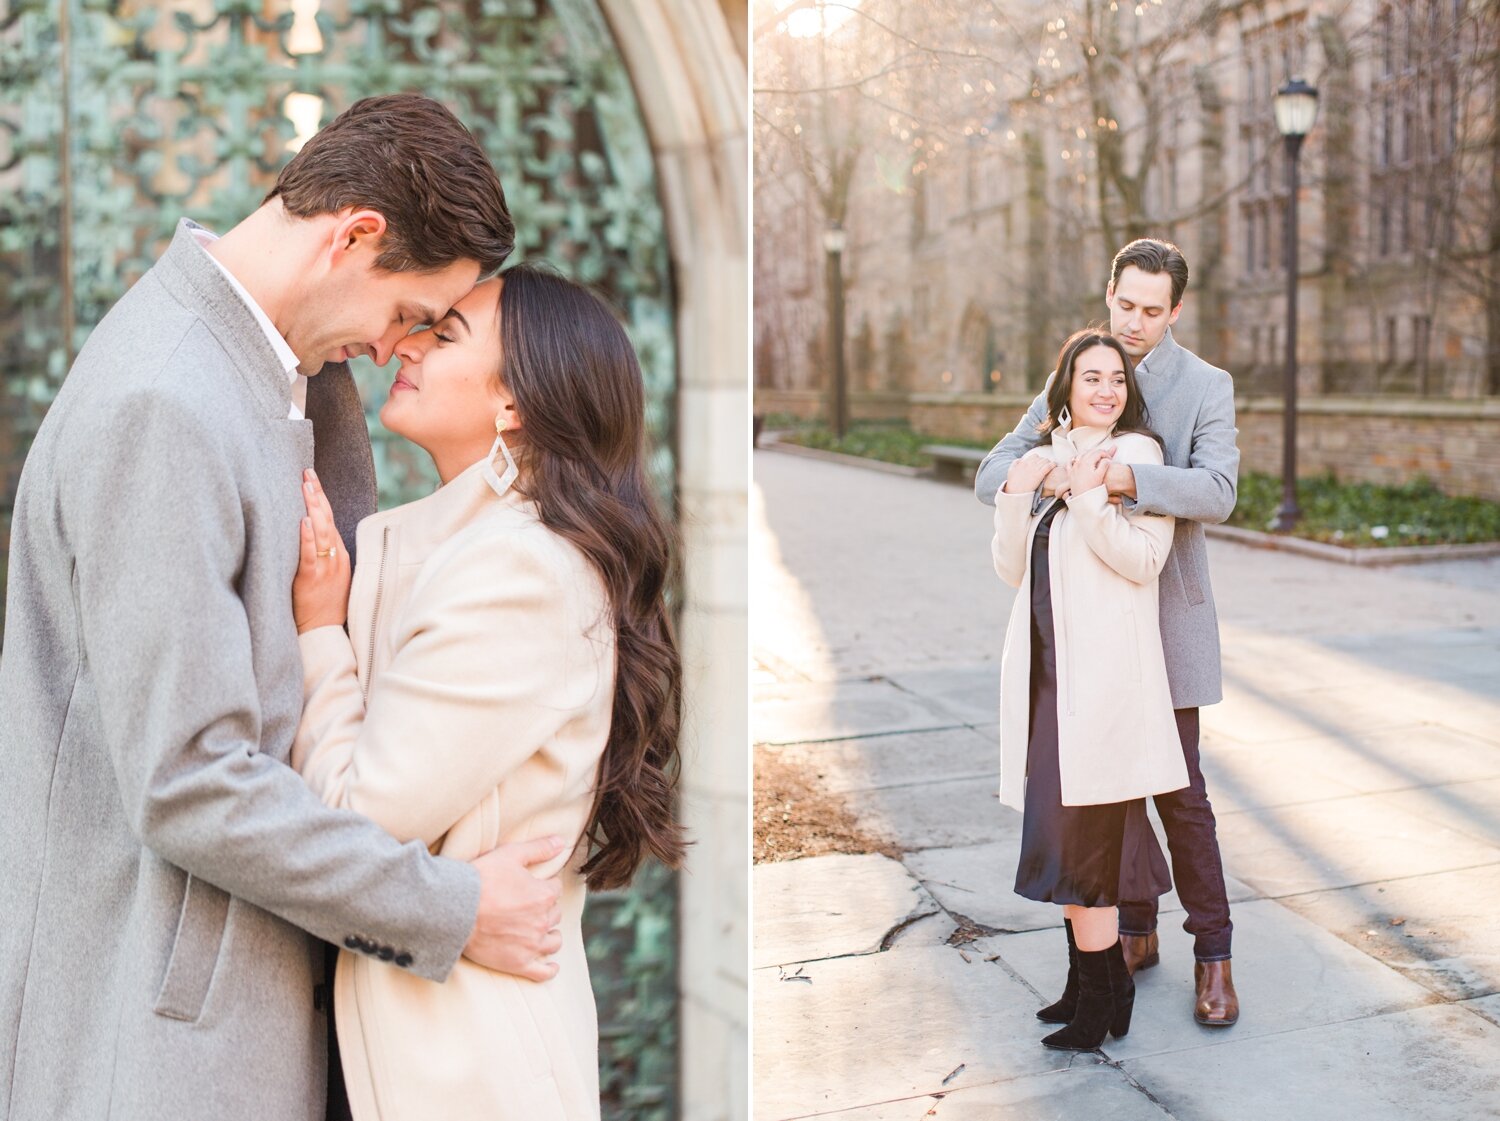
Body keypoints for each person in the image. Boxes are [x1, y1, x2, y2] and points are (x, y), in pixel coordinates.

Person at [0, 95, 569, 1121]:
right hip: (169, 1045)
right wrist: (454, 907)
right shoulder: (163, 404)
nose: (396, 344)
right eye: (407, 313)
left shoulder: (293, 375)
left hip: (278, 1015)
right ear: (355, 235)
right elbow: (189, 780)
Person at [289, 264, 686, 1120]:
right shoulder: (464, 549)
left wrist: (318, 628)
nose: (408, 345)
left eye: (446, 333)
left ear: (515, 405)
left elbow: (353, 818)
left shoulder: (521, 571)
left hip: (465, 1070)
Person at [976, 238, 1241, 1027]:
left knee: (1179, 793)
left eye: (1151, 310)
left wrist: (1123, 476)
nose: (1132, 322)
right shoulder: (1082, 373)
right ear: (1111, 291)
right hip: (1087, 616)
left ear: (1175, 310)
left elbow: (1219, 490)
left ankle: (1215, 954)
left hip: (1167, 617)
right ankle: (1131, 932)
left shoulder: (1205, 386)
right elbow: (998, 470)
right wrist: (1056, 470)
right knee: (1098, 794)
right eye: (1123, 303)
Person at [992, 327, 1187, 1050]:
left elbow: (1144, 560)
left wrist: (1091, 498)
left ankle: (1107, 993)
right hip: (1048, 681)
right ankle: (1084, 983)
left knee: (1090, 852)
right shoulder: (1053, 455)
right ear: (1066, 386)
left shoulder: (1140, 458)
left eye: (1115, 378)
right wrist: (1019, 492)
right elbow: (1013, 568)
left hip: (1104, 690)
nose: (1104, 389)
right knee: (1059, 846)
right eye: (1090, 377)